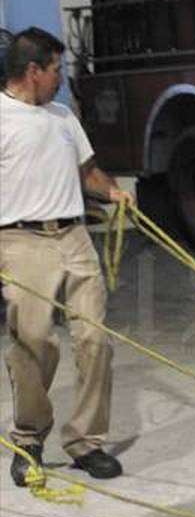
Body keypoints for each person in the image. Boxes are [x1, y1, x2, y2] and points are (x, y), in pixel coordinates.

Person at [0, 27, 133, 486]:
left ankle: (85, 443)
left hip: (74, 238)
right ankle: (29, 439)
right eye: (57, 68)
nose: (62, 77)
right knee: (34, 343)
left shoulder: (62, 116)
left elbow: (88, 171)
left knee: (95, 341)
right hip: (20, 242)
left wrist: (112, 190)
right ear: (33, 70)